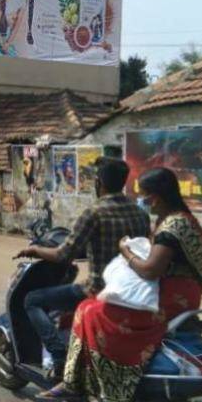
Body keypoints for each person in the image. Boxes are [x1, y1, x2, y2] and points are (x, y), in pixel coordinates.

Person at [45, 167, 202, 402]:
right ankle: (78, 383)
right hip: (183, 293)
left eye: (145, 196)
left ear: (156, 196)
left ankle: (107, 391)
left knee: (90, 311)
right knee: (91, 307)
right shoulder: (183, 219)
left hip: (168, 298)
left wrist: (126, 251)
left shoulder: (171, 228)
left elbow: (150, 270)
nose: (144, 202)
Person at [15, 157, 149, 378]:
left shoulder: (94, 212)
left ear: (99, 183)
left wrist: (35, 251)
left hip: (97, 289)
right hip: (132, 289)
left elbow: (63, 255)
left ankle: (58, 357)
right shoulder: (140, 214)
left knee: (32, 300)